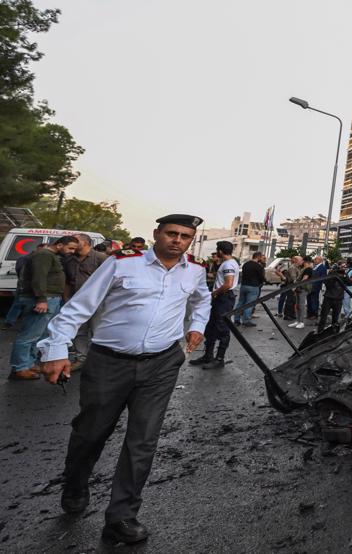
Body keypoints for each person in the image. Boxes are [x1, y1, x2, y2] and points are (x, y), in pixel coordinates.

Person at [36, 214, 210, 545]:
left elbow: (203, 299)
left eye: (185, 236)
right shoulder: (121, 264)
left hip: (161, 365)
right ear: (157, 234)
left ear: (191, 240)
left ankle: (122, 516)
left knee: (143, 441)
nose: (178, 240)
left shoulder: (196, 271)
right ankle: (74, 485)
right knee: (91, 432)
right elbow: (79, 308)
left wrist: (197, 325)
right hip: (109, 363)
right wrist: (56, 349)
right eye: (171, 233)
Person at [8, 235, 79, 380]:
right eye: (70, 248)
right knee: (29, 335)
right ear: (59, 245)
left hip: (50, 298)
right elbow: (38, 278)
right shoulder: (44, 255)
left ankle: (29, 363)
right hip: (43, 299)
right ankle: (19, 367)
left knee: (39, 335)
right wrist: (41, 299)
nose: (72, 251)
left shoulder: (50, 255)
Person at [190, 241, 239, 370]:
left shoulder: (228, 264)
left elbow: (228, 283)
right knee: (211, 327)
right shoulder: (229, 262)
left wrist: (214, 293)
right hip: (220, 298)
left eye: (217, 250)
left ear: (220, 251)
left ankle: (219, 359)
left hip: (223, 298)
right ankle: (208, 355)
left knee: (222, 328)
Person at [63, 234, 109, 367]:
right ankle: (81, 359)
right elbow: (68, 282)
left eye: (76, 240)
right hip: (77, 302)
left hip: (98, 303)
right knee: (79, 332)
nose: (72, 242)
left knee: (99, 331)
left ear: (86, 242)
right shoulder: (70, 259)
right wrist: (67, 299)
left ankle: (100, 362)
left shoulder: (101, 258)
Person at [2, 241, 36, 329]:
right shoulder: (27, 259)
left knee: (18, 304)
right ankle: (18, 324)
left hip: (23, 285)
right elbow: (21, 272)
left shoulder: (24, 258)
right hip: (26, 286)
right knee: (23, 304)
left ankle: (9, 322)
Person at [234, 252, 265, 327]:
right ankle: (246, 321)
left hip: (244, 285)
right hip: (253, 286)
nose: (262, 259)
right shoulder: (258, 266)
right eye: (261, 257)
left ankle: (236, 320)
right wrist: (262, 282)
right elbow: (261, 277)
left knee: (240, 302)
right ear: (258, 257)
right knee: (249, 304)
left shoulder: (246, 264)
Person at [318, 260, 348, 331]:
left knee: (335, 318)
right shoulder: (332, 273)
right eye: (342, 266)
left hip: (338, 299)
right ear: (338, 266)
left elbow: (350, 283)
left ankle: (333, 332)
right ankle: (320, 331)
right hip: (329, 298)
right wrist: (334, 275)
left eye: (345, 266)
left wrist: (344, 275)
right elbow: (327, 284)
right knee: (323, 317)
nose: (344, 268)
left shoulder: (344, 275)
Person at [289, 258, 313, 329]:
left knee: (301, 305)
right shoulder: (304, 268)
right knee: (298, 305)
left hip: (303, 288)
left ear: (306, 262)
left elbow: (304, 278)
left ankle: (301, 322)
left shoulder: (308, 269)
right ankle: (298, 321)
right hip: (300, 288)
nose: (302, 262)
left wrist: (296, 286)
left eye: (303, 261)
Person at [281, 256, 303, 320]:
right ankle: (287, 315)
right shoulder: (293, 268)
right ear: (297, 261)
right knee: (290, 301)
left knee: (293, 301)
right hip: (292, 286)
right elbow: (294, 278)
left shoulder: (297, 267)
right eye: (301, 260)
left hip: (293, 286)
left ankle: (291, 314)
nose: (302, 261)